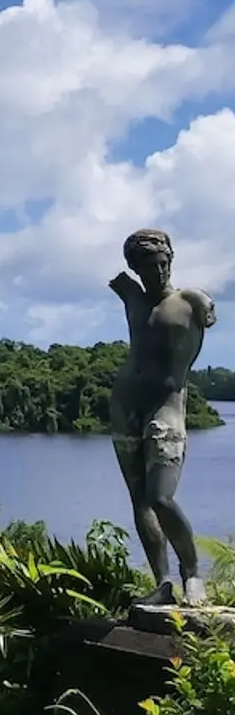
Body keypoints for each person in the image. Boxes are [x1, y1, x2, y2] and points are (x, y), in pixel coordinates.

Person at [109, 229, 214, 607]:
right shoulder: (132, 296)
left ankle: (193, 574)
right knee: (140, 500)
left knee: (161, 496)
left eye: (164, 263)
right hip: (124, 409)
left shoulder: (192, 301)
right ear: (135, 268)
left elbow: (207, 315)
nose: (160, 271)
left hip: (166, 411)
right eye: (150, 267)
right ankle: (162, 581)